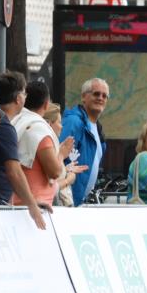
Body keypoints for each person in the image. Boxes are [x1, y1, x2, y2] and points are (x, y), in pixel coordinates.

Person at [0, 71, 46, 229]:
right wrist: (32, 206)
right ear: (18, 98)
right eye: (24, 92)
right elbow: (13, 171)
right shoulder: (4, 126)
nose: (25, 96)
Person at [11, 84, 72, 208]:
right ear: (46, 104)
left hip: (16, 203)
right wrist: (61, 154)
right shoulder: (39, 129)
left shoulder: (15, 122)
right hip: (35, 207)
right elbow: (54, 172)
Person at [59, 77, 108, 206]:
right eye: (96, 93)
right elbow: (56, 157)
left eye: (104, 96)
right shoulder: (73, 122)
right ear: (83, 97)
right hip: (66, 201)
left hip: (81, 204)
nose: (101, 98)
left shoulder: (98, 129)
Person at [44, 107, 86, 206]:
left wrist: (66, 169)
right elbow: (50, 186)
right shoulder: (47, 150)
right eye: (59, 122)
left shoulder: (53, 147)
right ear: (50, 124)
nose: (62, 127)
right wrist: (68, 180)